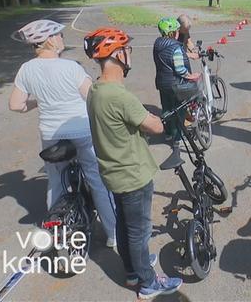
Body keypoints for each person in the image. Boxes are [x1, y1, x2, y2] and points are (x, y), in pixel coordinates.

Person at [83, 28, 182, 298]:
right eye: (126, 49)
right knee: (139, 231)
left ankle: (132, 271)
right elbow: (156, 127)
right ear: (117, 55)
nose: (130, 54)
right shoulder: (120, 96)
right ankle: (149, 282)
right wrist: (153, 118)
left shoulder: (96, 90)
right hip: (133, 174)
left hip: (113, 173)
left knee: (126, 227)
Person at [8, 19, 117, 247]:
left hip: (51, 135)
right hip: (81, 131)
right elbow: (93, 98)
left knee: (55, 181)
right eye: (59, 35)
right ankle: (113, 234)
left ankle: (56, 228)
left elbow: (16, 105)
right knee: (96, 180)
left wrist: (38, 103)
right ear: (49, 40)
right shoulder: (71, 68)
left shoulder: (26, 69)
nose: (62, 39)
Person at [153, 18, 200, 146]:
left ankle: (168, 133)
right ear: (174, 33)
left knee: (167, 108)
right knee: (179, 110)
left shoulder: (158, 44)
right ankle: (177, 138)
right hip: (175, 84)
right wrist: (190, 76)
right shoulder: (175, 47)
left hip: (162, 82)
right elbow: (179, 69)